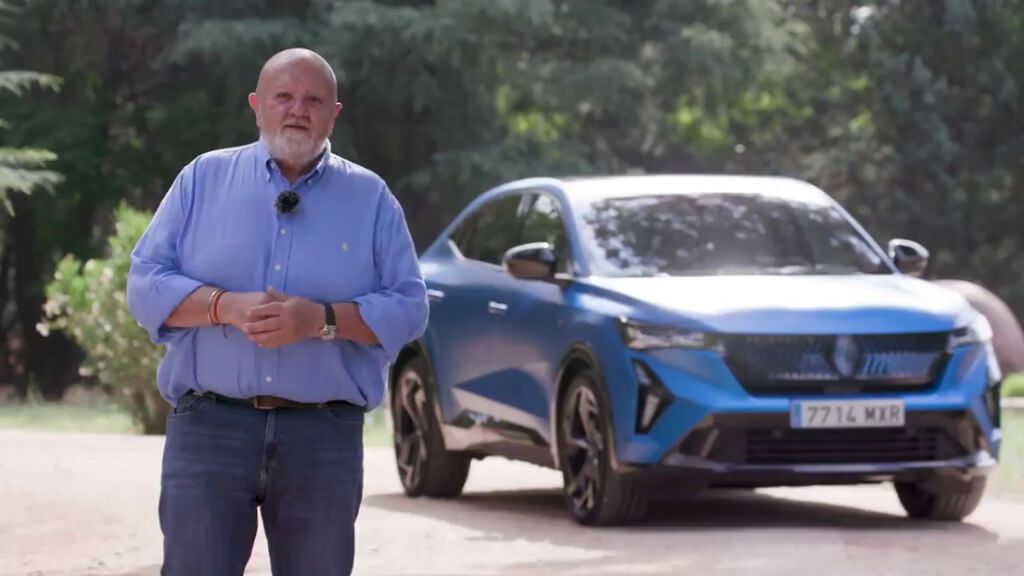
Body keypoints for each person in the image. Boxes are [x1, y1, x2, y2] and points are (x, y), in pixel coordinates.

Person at [126, 47, 428, 575]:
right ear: (256, 106)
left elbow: (409, 307)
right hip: (210, 427)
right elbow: (145, 284)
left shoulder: (370, 198)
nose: (298, 110)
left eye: (314, 99)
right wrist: (223, 306)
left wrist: (320, 321)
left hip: (322, 436)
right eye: (283, 97)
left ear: (335, 113)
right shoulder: (202, 179)